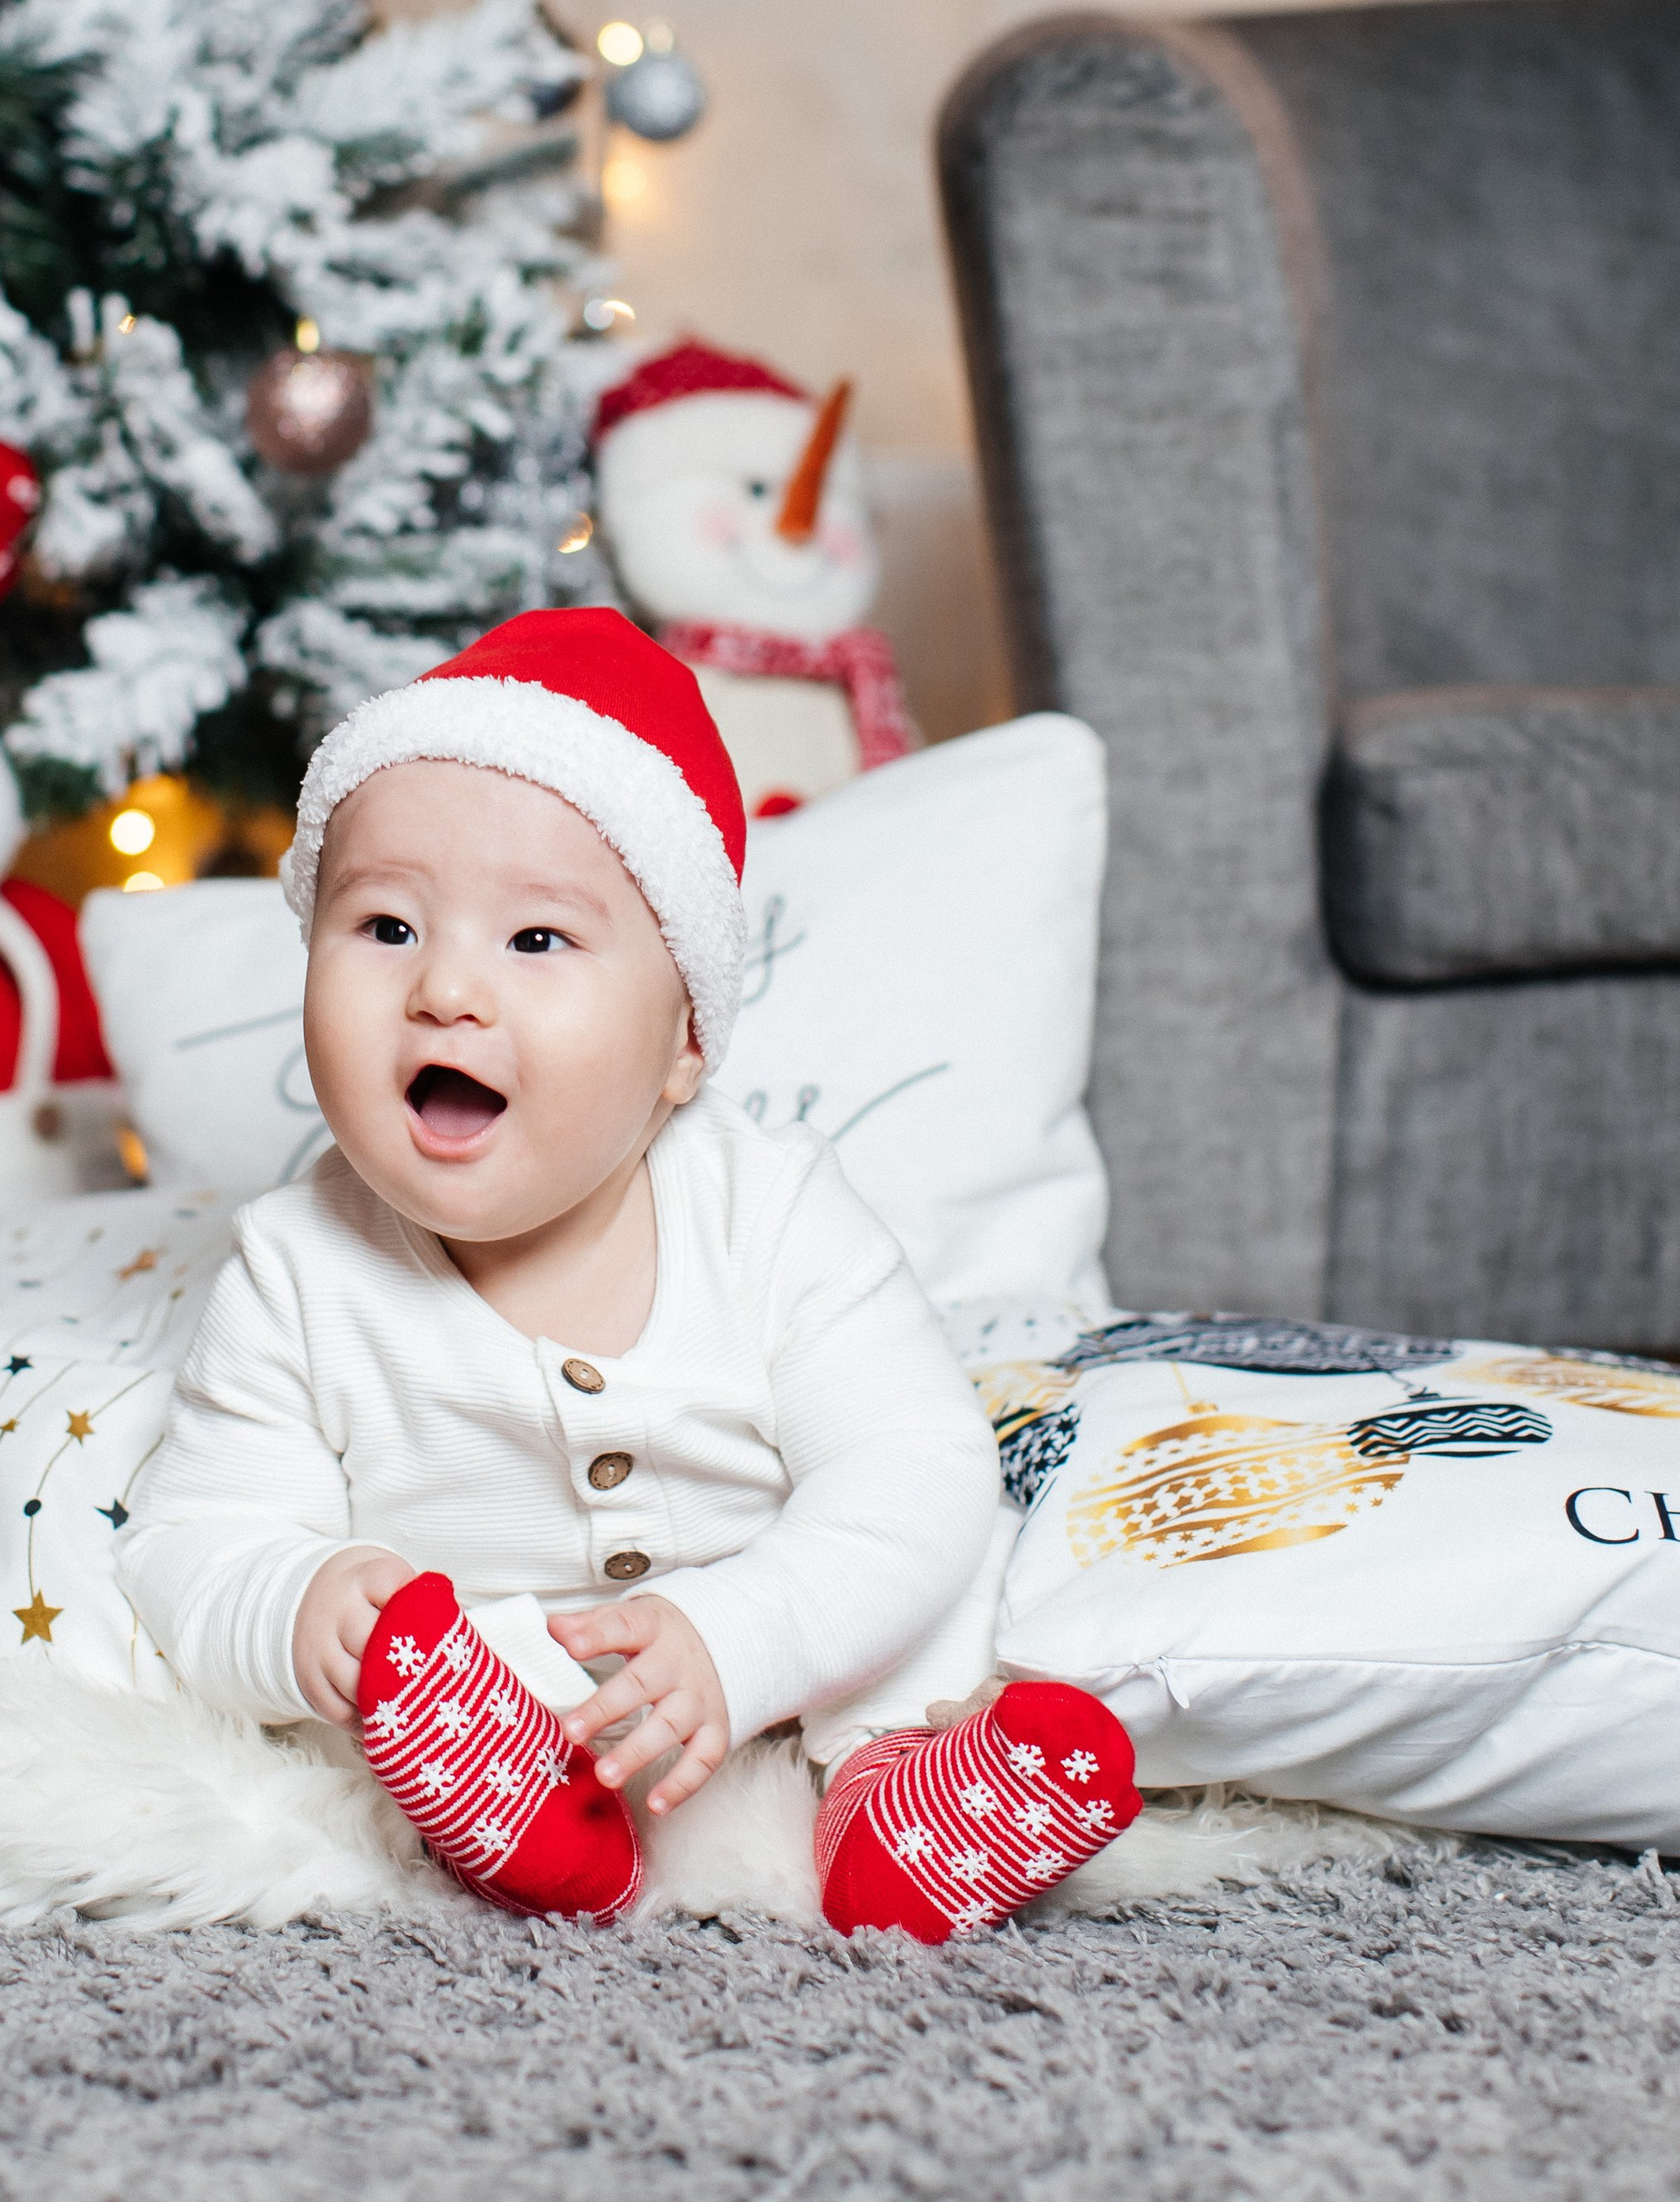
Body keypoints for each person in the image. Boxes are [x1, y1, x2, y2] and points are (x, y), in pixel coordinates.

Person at [118, 610, 1137, 1934]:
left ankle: (896, 1792)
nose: (445, 994)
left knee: (931, 1579)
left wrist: (743, 1635)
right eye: (383, 926)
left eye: (536, 942)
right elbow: (195, 1540)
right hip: (502, 1700)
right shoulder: (298, 1268)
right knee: (453, 1677)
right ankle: (543, 1818)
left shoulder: (768, 1215)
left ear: (681, 1051)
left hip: (801, 1637)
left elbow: (915, 1470)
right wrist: (297, 1604)